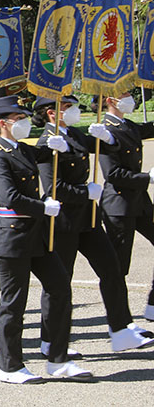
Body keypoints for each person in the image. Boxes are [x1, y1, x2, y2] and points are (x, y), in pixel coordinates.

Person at [33, 96, 153, 353]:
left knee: (111, 270)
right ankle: (50, 340)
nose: (74, 110)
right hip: (63, 222)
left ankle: (120, 330)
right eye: (67, 107)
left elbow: (103, 149)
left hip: (88, 219)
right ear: (51, 113)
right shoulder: (46, 143)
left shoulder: (74, 133)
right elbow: (54, 188)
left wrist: (109, 138)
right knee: (60, 281)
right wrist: (85, 193)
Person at [0, 95, 91, 384]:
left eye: (23, 118)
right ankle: (10, 367)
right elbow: (9, 197)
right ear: (2, 123)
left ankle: (58, 359)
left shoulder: (22, 149)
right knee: (14, 304)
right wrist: (43, 206)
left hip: (36, 237)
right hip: (12, 238)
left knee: (59, 289)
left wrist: (57, 143)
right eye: (17, 119)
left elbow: (46, 156)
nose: (23, 123)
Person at [92, 92, 154, 321]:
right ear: (110, 100)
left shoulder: (128, 125)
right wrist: (147, 178)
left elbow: (149, 128)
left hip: (140, 203)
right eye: (125, 95)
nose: (130, 98)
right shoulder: (103, 130)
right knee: (118, 267)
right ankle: (120, 320)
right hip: (119, 205)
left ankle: (153, 305)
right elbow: (113, 174)